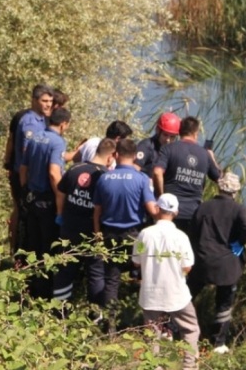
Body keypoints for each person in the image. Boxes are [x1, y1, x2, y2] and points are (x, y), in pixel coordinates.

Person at [92, 138, 157, 326]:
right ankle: (146, 322)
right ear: (135, 155)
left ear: (116, 155)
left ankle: (110, 325)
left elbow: (97, 211)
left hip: (109, 234)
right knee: (144, 275)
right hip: (135, 236)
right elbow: (152, 210)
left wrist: (97, 235)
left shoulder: (104, 178)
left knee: (112, 280)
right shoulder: (142, 179)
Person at [132, 193, 200, 370]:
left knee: (152, 333)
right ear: (176, 212)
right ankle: (188, 366)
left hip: (151, 292)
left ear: (157, 209)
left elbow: (136, 261)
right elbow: (188, 266)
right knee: (191, 329)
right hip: (176, 292)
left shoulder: (144, 234)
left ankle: (153, 366)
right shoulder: (181, 237)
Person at [187, 172, 246, 354]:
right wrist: (239, 243)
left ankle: (175, 327)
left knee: (187, 295)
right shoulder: (239, 209)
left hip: (202, 261)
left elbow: (193, 232)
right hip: (227, 263)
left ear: (219, 187)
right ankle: (218, 343)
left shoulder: (204, 207)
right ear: (236, 191)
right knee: (224, 302)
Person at [52, 138, 117, 304]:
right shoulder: (106, 177)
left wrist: (60, 214)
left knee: (65, 268)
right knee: (95, 273)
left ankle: (58, 311)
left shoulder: (75, 168)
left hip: (69, 227)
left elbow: (60, 192)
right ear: (110, 157)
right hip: (92, 232)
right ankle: (95, 315)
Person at [20, 107, 70, 299]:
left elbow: (24, 169)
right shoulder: (58, 142)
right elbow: (53, 173)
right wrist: (60, 205)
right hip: (48, 202)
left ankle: (31, 288)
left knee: (33, 244)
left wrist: (26, 192)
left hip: (32, 199)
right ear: (64, 124)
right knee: (48, 248)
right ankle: (44, 293)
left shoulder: (35, 137)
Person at [6, 84, 55, 255]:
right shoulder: (30, 122)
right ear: (34, 101)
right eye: (44, 101)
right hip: (26, 178)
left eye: (50, 101)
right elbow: (29, 154)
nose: (48, 104)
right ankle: (19, 255)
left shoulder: (41, 119)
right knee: (24, 217)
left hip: (28, 177)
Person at [153, 116, 221, 234]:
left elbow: (157, 172)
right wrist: (212, 157)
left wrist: (161, 197)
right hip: (194, 213)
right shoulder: (204, 154)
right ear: (196, 133)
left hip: (170, 211)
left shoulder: (168, 149)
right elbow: (220, 179)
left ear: (179, 132)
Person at [135, 112, 181, 178]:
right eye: (165, 135)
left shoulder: (174, 151)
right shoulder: (146, 146)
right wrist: (146, 182)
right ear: (158, 130)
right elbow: (134, 171)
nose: (168, 140)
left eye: (172, 137)